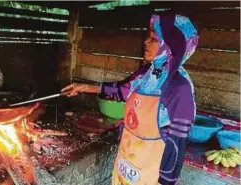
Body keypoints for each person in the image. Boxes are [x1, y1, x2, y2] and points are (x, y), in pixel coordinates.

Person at [61, 13, 198, 185]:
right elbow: (121, 90)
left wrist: (166, 182)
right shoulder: (145, 74)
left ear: (171, 46)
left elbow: (177, 144)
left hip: (150, 171)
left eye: (154, 39)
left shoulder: (179, 88)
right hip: (127, 158)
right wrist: (85, 87)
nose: (146, 42)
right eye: (148, 37)